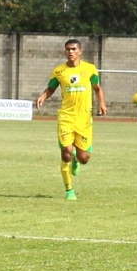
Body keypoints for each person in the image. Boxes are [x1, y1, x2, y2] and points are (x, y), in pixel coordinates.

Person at [35, 39, 108, 200]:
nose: (71, 52)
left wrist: (101, 103)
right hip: (66, 117)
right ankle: (69, 190)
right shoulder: (59, 71)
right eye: (68, 49)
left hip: (84, 119)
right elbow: (51, 88)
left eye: (74, 49)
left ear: (80, 51)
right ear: (64, 51)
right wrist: (43, 96)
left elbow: (97, 88)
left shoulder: (90, 69)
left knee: (84, 159)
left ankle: (76, 159)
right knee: (66, 152)